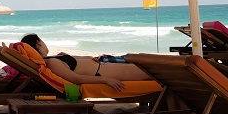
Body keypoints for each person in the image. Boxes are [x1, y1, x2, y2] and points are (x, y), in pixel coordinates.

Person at [19, 34, 151, 91]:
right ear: (38, 42)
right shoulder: (51, 63)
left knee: (142, 60)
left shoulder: (51, 58)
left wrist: (88, 58)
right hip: (102, 71)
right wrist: (106, 80)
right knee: (148, 71)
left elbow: (75, 63)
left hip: (103, 61)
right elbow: (76, 79)